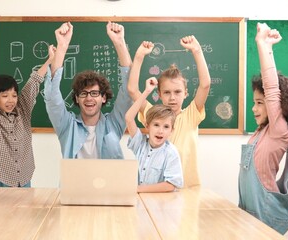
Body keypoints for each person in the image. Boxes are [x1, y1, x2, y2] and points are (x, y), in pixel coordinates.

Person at [238, 23, 288, 234]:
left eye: (259, 102)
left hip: (264, 212)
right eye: (254, 102)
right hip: (249, 210)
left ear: (277, 105)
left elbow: (272, 87)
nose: (253, 108)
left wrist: (262, 44)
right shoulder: (262, 131)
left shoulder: (279, 130)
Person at [0, 40, 55, 188]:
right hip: (0, 178)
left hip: (24, 178)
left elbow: (34, 82)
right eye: (5, 95)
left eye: (14, 95)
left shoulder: (23, 111)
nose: (11, 100)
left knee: (26, 212)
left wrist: (50, 60)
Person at [128, 37, 211, 188]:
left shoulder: (191, 115)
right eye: (166, 92)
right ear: (159, 94)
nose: (172, 98)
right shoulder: (153, 114)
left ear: (186, 93)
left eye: (177, 92)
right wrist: (139, 56)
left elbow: (205, 85)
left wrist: (197, 51)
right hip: (156, 190)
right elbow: (132, 90)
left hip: (188, 189)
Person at [44, 21, 133, 159]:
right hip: (75, 181)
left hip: (110, 180)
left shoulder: (114, 123)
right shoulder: (67, 126)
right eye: (83, 93)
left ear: (103, 97)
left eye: (95, 93)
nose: (89, 98)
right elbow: (52, 96)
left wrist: (119, 42)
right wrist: (62, 45)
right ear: (76, 98)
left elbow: (129, 89)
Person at [126, 77, 183, 193]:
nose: (160, 131)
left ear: (171, 130)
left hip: (162, 203)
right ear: (147, 126)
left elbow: (171, 185)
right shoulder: (140, 144)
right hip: (140, 199)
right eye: (156, 125)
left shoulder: (171, 152)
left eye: (166, 127)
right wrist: (146, 91)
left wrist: (138, 189)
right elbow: (128, 118)